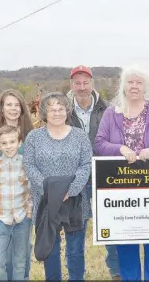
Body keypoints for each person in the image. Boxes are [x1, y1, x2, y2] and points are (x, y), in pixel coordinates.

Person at [95, 66, 149, 281]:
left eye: (139, 82)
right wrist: (120, 149)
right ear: (123, 84)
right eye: (130, 82)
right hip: (120, 190)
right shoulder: (111, 113)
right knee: (126, 246)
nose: (134, 86)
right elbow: (99, 143)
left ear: (145, 86)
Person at [23, 92, 92, 281]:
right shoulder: (34, 137)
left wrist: (71, 190)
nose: (57, 113)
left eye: (61, 108)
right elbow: (29, 165)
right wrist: (51, 191)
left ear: (67, 110)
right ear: (44, 112)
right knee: (50, 249)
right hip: (46, 201)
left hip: (75, 200)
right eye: (52, 109)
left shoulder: (79, 136)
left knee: (75, 250)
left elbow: (86, 164)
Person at [66, 65, 118, 279]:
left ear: (92, 83)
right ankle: (76, 275)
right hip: (75, 179)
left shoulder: (108, 110)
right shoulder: (63, 110)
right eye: (77, 83)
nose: (82, 87)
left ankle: (117, 272)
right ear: (71, 85)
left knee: (111, 229)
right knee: (75, 233)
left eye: (86, 82)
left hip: (104, 177)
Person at [0, 88, 34, 281]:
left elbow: (33, 175)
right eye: (8, 104)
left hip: (22, 207)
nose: (13, 108)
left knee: (21, 257)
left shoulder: (31, 134)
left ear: (22, 108)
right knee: (1, 259)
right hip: (2, 206)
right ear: (1, 108)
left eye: (16, 104)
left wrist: (29, 210)